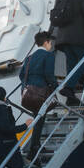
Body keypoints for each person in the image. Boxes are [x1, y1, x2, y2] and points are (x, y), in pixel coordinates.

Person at [20, 31, 57, 160]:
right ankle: (33, 150)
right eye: (50, 42)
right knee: (40, 119)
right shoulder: (48, 56)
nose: (51, 45)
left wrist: (30, 85)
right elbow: (48, 74)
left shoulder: (29, 58)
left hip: (28, 94)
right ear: (46, 42)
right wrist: (55, 87)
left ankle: (36, 145)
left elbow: (21, 75)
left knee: (38, 119)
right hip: (41, 94)